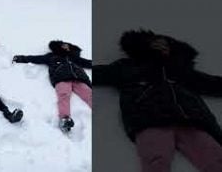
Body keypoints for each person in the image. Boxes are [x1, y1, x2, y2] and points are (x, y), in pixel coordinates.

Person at [93, 29, 222, 172]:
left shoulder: (180, 70)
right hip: (150, 119)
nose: (163, 47)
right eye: (157, 44)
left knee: (215, 157)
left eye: (166, 45)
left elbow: (210, 83)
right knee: (156, 160)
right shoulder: (129, 66)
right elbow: (100, 73)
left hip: (190, 120)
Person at [13, 40, 92, 132]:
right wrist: (22, 58)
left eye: (67, 46)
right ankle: (65, 119)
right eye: (64, 45)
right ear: (59, 47)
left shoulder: (73, 57)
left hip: (79, 79)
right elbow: (36, 58)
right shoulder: (51, 56)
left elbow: (87, 63)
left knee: (89, 93)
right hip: (61, 78)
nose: (66, 47)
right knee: (64, 95)